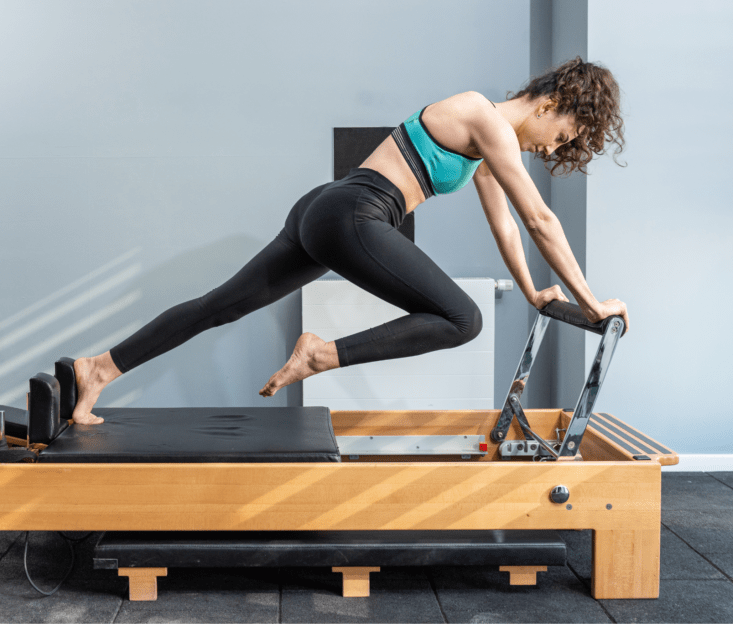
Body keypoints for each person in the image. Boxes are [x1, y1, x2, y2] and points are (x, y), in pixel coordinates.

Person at [69, 57, 630, 425]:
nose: (553, 150)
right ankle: (320, 353)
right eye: (561, 137)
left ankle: (99, 368)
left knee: (220, 306)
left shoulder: (488, 145)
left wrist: (534, 292)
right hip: (353, 214)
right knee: (463, 320)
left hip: (325, 209)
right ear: (551, 104)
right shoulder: (482, 114)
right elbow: (540, 221)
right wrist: (592, 302)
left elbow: (506, 222)